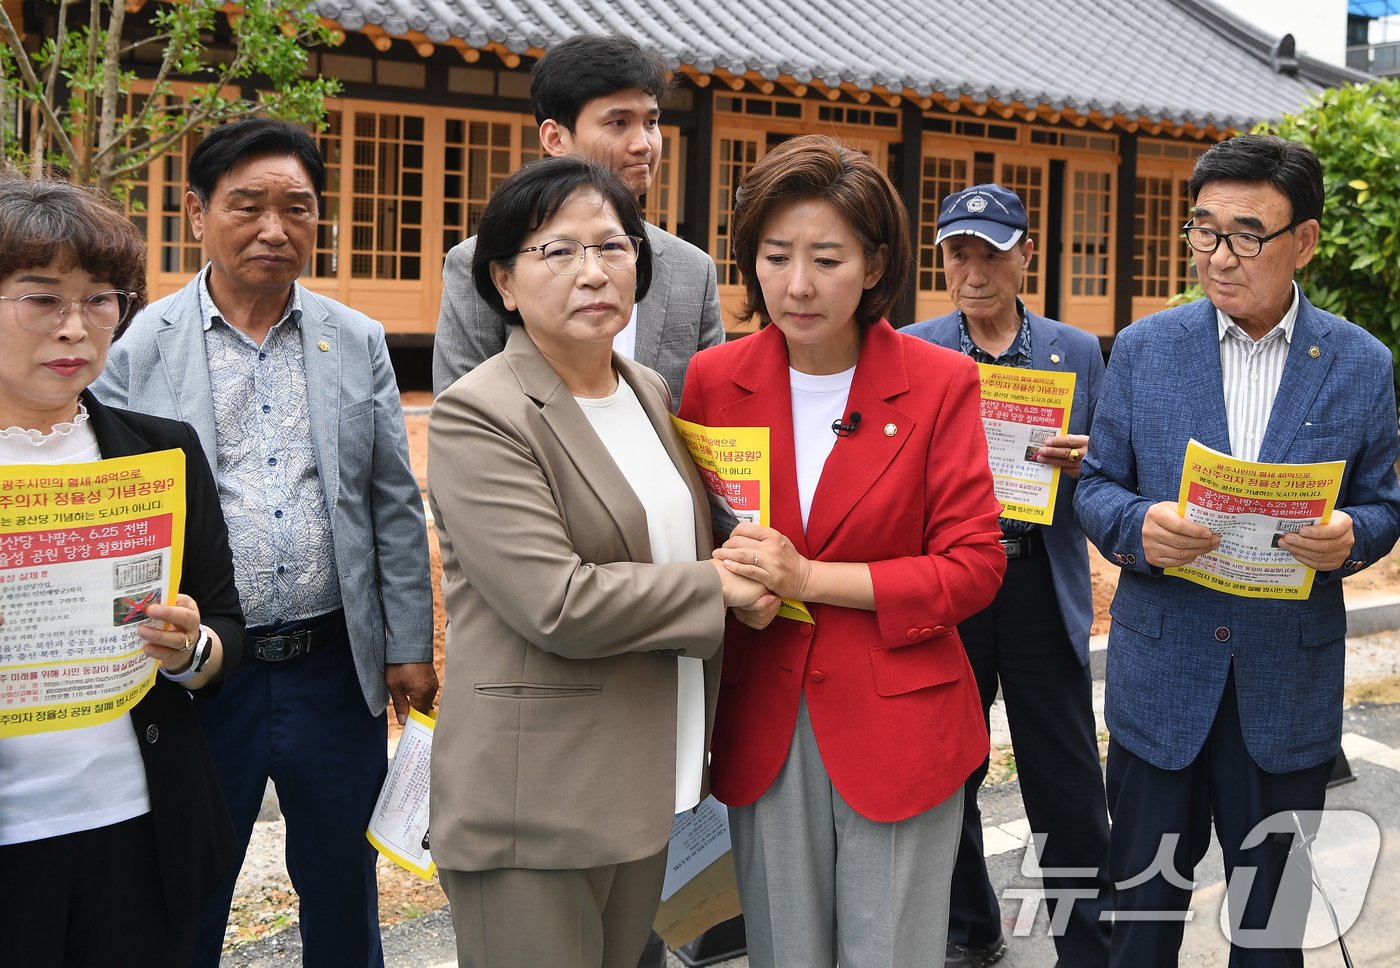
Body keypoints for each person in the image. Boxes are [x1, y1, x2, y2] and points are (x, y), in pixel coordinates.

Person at [92, 119, 436, 968]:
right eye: (247, 206)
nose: (274, 229)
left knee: (341, 887)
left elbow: (392, 501)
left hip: (332, 666)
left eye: (297, 208)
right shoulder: (139, 346)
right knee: (191, 885)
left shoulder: (354, 340)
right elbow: (106, 512)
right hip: (204, 673)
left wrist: (408, 645)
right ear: (196, 211)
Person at [427, 154, 776, 968]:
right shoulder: (480, 412)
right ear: (505, 283)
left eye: (613, 247)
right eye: (558, 251)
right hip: (537, 799)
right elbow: (556, 600)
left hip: (647, 778)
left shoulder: (648, 388)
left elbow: (673, 545)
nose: (593, 271)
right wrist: (719, 589)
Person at [676, 135, 1007, 967]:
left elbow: (974, 566)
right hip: (764, 715)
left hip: (901, 720)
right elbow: (702, 537)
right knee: (785, 951)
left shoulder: (938, 381)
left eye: (826, 258)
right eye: (775, 255)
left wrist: (809, 577)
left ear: (875, 263)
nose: (797, 284)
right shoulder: (714, 380)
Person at [1075, 133, 1400, 965]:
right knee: (1137, 926)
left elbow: (1385, 504)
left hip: (1284, 688)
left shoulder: (1361, 365)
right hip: (1160, 683)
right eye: (1204, 231)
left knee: (1270, 930)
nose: (1219, 257)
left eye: (1247, 235)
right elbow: (1097, 485)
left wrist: (1350, 537)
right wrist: (1137, 528)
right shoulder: (1146, 348)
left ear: (1305, 241)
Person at [0, 176, 247, 966]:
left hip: (141, 832)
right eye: (42, 299)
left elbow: (223, 626)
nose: (75, 328)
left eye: (102, 300)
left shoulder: (159, 451)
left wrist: (191, 651)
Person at [904, 184, 1111, 968]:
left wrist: (1086, 458)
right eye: (959, 252)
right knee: (950, 768)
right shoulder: (914, 347)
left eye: (992, 251)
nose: (975, 268)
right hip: (953, 586)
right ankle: (970, 927)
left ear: (1027, 254)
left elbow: (1106, 475)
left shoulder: (1076, 351)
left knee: (1066, 781)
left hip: (1037, 582)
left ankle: (1089, 945)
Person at [433, 33, 724, 403]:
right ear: (555, 138)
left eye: (651, 123)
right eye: (618, 123)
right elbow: (463, 417)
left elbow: (708, 416)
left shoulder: (693, 270)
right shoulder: (484, 261)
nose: (644, 144)